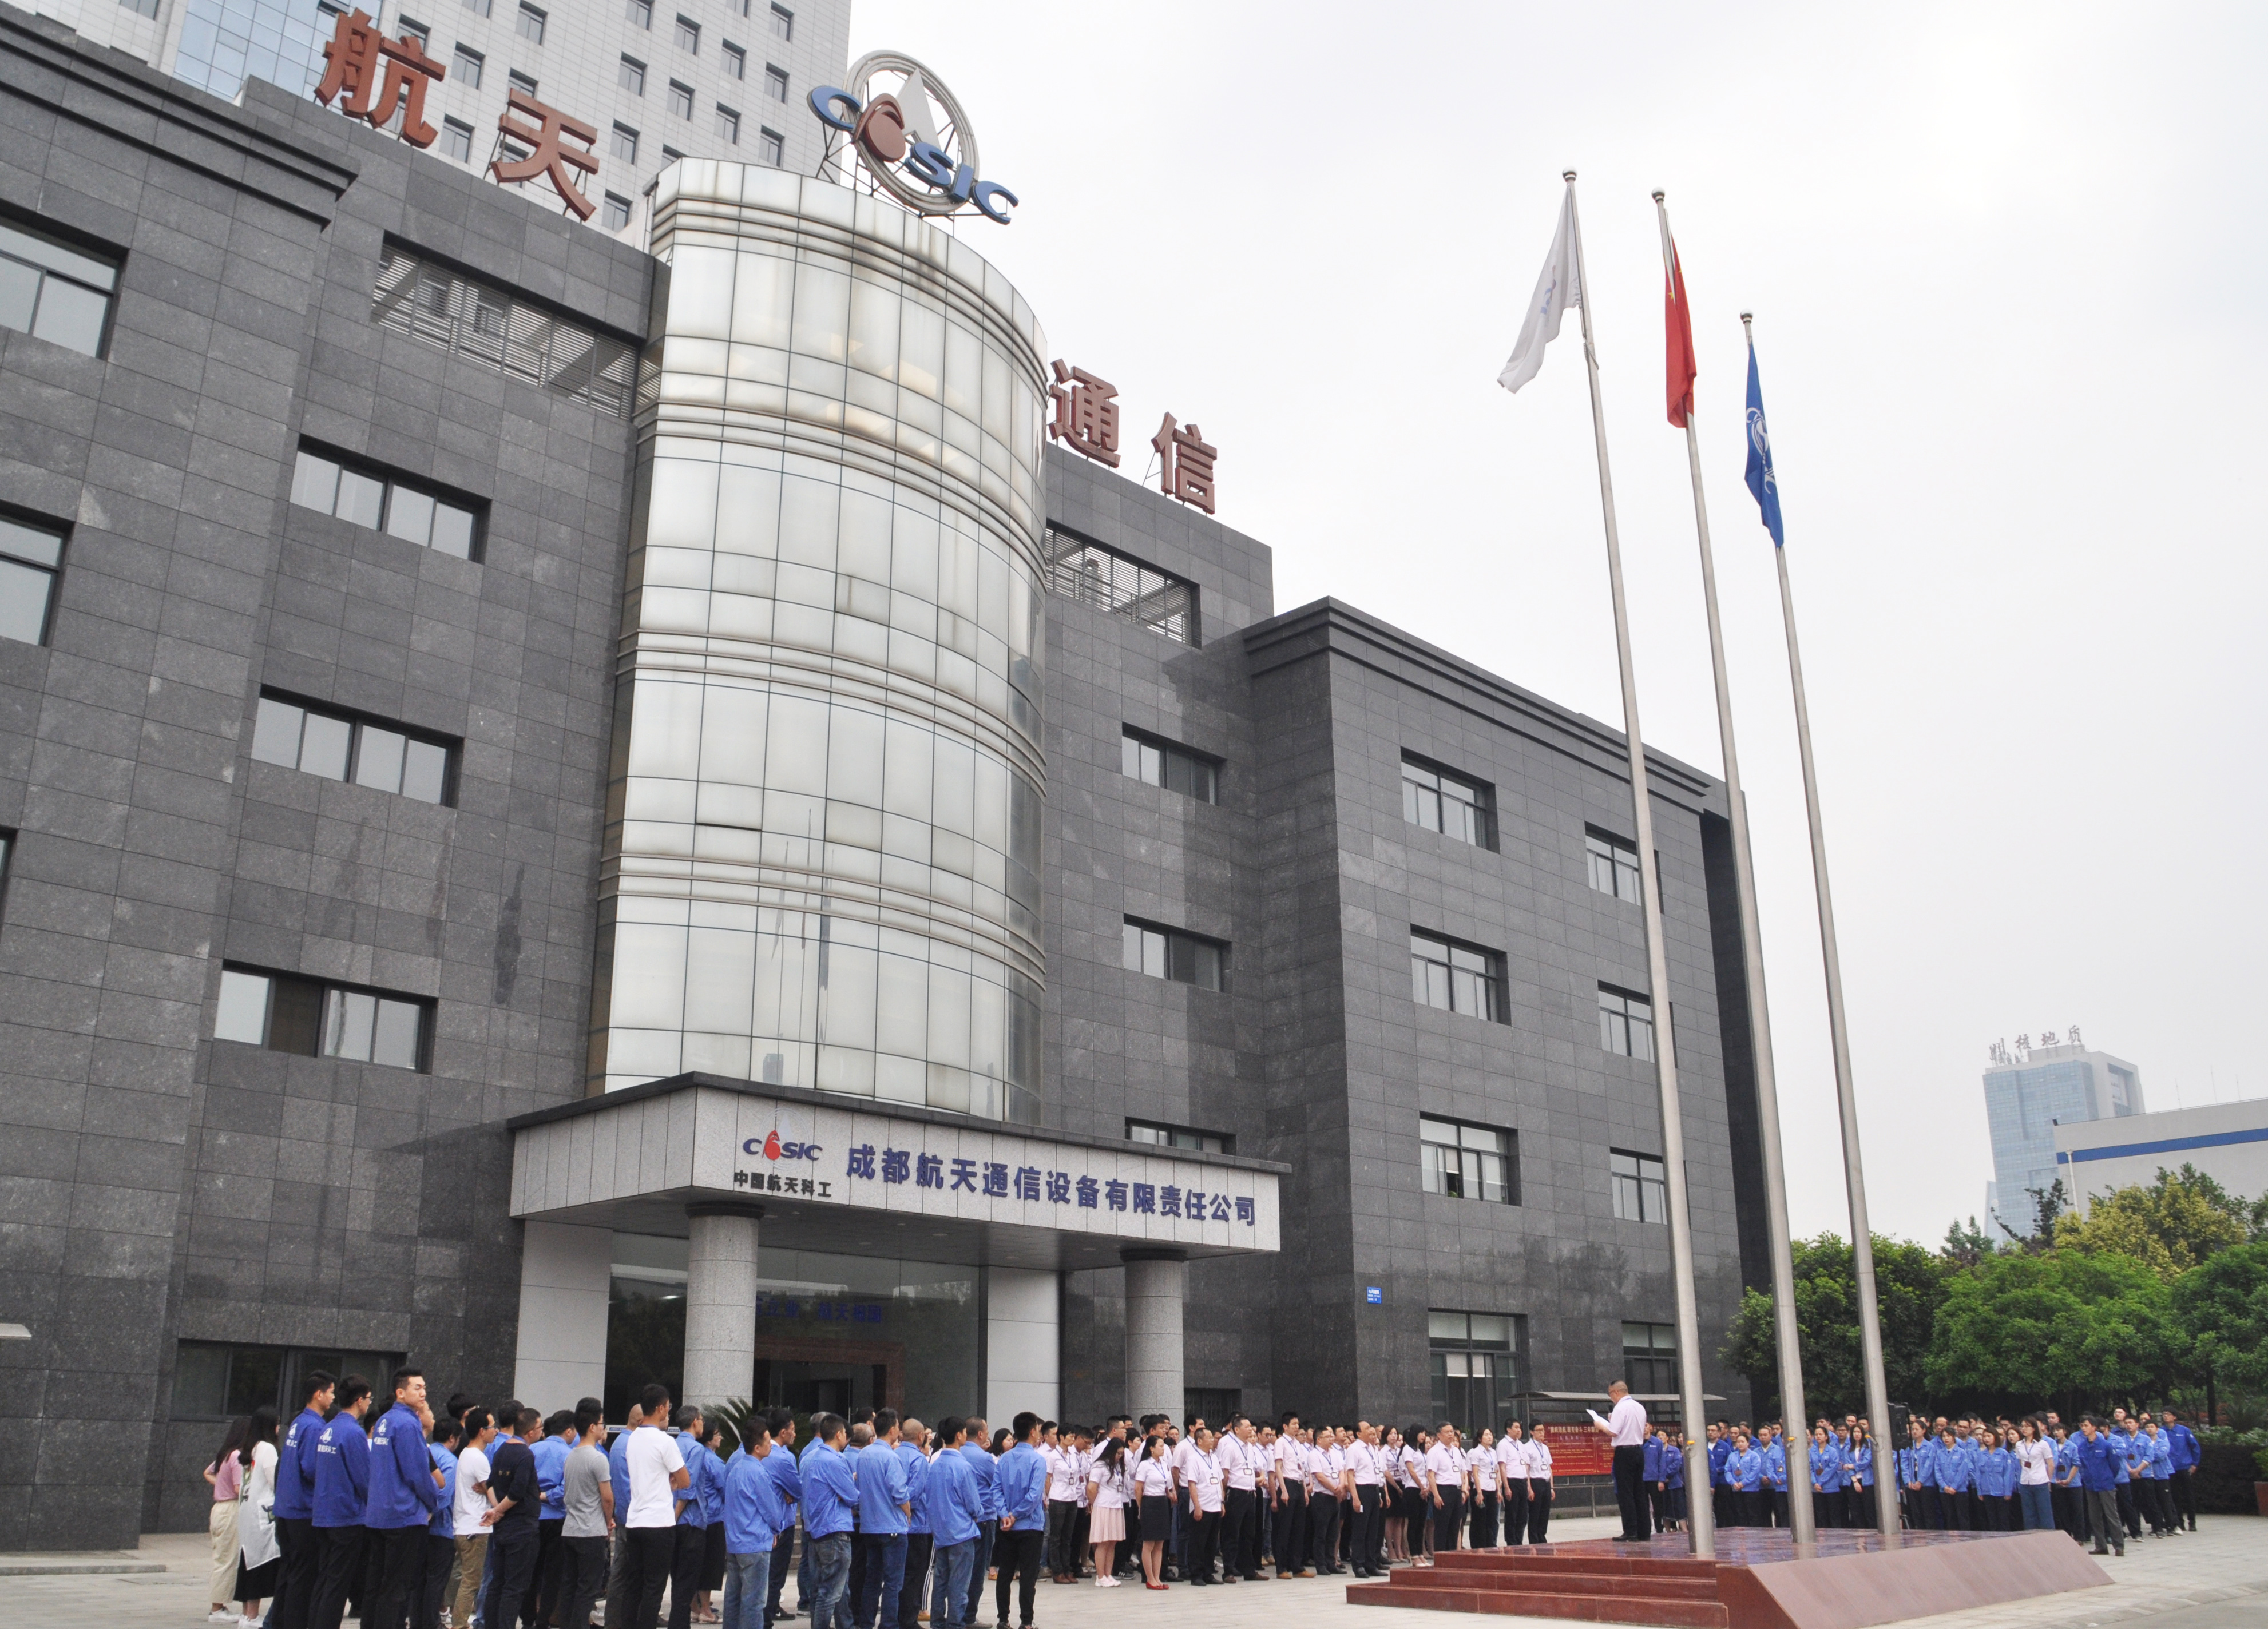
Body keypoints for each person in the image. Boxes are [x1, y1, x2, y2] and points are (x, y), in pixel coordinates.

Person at [360, 1368, 442, 1629]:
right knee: (396, 1588)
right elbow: (417, 1473)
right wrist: (433, 1501)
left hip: (379, 1514)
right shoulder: (407, 1423)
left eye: (424, 1387)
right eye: (417, 1388)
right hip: (403, 1515)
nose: (423, 1392)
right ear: (400, 1392)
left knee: (376, 1584)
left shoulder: (385, 1421)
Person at [611, 1386, 692, 1629]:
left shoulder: (632, 1438)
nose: (669, 1411)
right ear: (660, 1408)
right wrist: (670, 1479)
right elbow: (685, 1480)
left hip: (635, 1520)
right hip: (659, 1523)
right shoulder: (665, 1441)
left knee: (633, 1585)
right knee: (654, 1587)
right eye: (668, 1406)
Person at [270, 1371, 336, 1629]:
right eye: (331, 1392)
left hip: (286, 1509)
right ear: (319, 1395)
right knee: (303, 1576)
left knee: (288, 1572)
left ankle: (279, 1622)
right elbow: (312, 1468)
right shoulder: (315, 1427)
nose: (333, 1398)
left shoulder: (299, 1422)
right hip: (303, 1511)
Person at [722, 1416, 786, 1629]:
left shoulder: (735, 1468)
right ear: (757, 1448)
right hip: (755, 1543)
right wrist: (776, 1529)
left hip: (735, 1541)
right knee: (754, 1602)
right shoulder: (758, 1472)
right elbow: (771, 1509)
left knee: (733, 1599)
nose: (771, 1444)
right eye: (768, 1441)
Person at [481, 1405, 541, 1629]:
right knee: (514, 1587)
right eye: (540, 1427)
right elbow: (517, 1492)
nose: (541, 1431)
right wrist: (498, 1511)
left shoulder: (502, 1449)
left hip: (503, 1527)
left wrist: (496, 1509)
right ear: (530, 1432)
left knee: (497, 1582)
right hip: (522, 1528)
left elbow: (490, 1484)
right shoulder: (525, 1454)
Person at [797, 1413, 856, 1629]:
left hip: (815, 1530)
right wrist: (846, 1489)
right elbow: (852, 1496)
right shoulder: (836, 1460)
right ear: (839, 1434)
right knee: (830, 1592)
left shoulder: (808, 1458)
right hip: (834, 1530)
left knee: (821, 1589)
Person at [926, 1420, 987, 1626]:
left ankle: (937, 1623)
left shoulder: (934, 1465)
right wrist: (977, 1514)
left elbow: (929, 1497)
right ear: (960, 1435)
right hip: (961, 1532)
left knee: (941, 1581)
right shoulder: (963, 1466)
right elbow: (974, 1504)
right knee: (959, 1584)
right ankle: (955, 1624)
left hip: (941, 1532)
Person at [560, 1408, 614, 1629]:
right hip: (591, 1530)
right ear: (592, 1427)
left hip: (570, 1528)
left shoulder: (570, 1455)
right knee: (588, 1588)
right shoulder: (598, 1458)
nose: (603, 1428)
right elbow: (607, 1498)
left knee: (570, 1586)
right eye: (602, 1424)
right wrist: (608, 1521)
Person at [205, 1413, 259, 1624]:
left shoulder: (225, 1454)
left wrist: (221, 1485)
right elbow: (239, 1489)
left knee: (221, 1557)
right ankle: (217, 1609)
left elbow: (208, 1473)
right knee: (227, 1560)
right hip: (231, 1509)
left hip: (219, 1509)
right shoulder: (238, 1457)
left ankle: (218, 1606)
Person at [669, 1406, 719, 1629]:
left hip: (672, 1519)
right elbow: (687, 1489)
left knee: (677, 1578)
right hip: (690, 1521)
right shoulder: (696, 1450)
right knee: (687, 1581)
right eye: (701, 1420)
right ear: (694, 1422)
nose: (703, 1424)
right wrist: (674, 1517)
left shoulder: (672, 1444)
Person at [235, 1407, 284, 1628]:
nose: (279, 1428)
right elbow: (275, 1481)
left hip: (248, 1514)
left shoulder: (250, 1448)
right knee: (260, 1566)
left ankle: (247, 1614)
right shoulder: (268, 1449)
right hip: (264, 1516)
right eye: (277, 1423)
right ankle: (253, 1616)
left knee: (248, 1564)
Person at [452, 1409, 497, 1629]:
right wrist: (500, 1507)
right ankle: (460, 1624)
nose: (496, 1431)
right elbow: (492, 1493)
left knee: (468, 1580)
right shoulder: (479, 1458)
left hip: (464, 1525)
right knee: (471, 1582)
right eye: (492, 1427)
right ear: (481, 1431)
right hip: (476, 1527)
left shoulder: (465, 1454)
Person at [1593, 1382, 1649, 1544]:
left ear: (1616, 1392)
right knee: (1639, 1492)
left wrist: (1601, 1425)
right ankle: (1644, 1531)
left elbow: (1613, 1431)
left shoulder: (1620, 1408)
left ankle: (1631, 1531)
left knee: (1626, 1493)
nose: (1611, 1398)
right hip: (1638, 1450)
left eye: (1611, 1394)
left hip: (1624, 1452)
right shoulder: (1639, 1407)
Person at [2073, 1419, 2123, 1558]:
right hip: (2090, 1485)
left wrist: (2108, 1477)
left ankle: (2119, 1546)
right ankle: (2101, 1546)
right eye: (2082, 1426)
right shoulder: (2082, 1446)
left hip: (2105, 1484)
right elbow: (2082, 1465)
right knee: (2095, 1517)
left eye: (2086, 1426)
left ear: (2094, 1427)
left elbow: (2115, 1465)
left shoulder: (2105, 1445)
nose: (2084, 1428)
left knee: (2111, 1516)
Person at [1083, 1437, 1128, 1588]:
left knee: (1112, 1542)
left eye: (1121, 1454)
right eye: (1118, 1453)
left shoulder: (1117, 1467)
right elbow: (1091, 1487)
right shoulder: (1099, 1466)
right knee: (1103, 1542)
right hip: (1103, 1506)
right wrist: (1093, 1503)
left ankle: (1108, 1574)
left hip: (1116, 1505)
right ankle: (1100, 1576)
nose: (1119, 1456)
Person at [1132, 1433, 1175, 1589]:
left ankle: (1157, 1578)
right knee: (1149, 1543)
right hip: (1149, 1502)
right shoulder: (1145, 1465)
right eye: (1161, 1446)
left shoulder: (1163, 1464)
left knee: (1160, 1543)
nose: (1164, 1449)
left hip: (1162, 1502)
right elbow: (1138, 1488)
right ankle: (1150, 1578)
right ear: (1151, 1448)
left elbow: (1167, 1483)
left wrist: (1171, 1494)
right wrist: (1141, 1507)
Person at [2161, 1411, 2199, 1533]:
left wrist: (2195, 1464)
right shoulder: (2161, 1432)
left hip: (2184, 1467)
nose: (2165, 1416)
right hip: (2170, 1469)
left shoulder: (2184, 1431)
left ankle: (2192, 1522)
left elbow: (2195, 1447)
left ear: (2174, 1417)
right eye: (2164, 1414)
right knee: (2174, 1496)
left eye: (2168, 1414)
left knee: (2189, 1495)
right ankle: (2179, 1522)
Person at [2014, 1419, 2055, 1532]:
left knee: (2044, 1512)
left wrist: (2048, 1480)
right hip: (2025, 1482)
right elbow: (2021, 1462)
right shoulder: (2019, 1444)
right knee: (2029, 1513)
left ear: (2033, 1428)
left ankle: (2048, 1536)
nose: (2024, 1429)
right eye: (2022, 1426)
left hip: (2040, 1481)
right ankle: (2031, 1535)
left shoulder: (2042, 1444)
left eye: (2027, 1426)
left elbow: (2051, 1464)